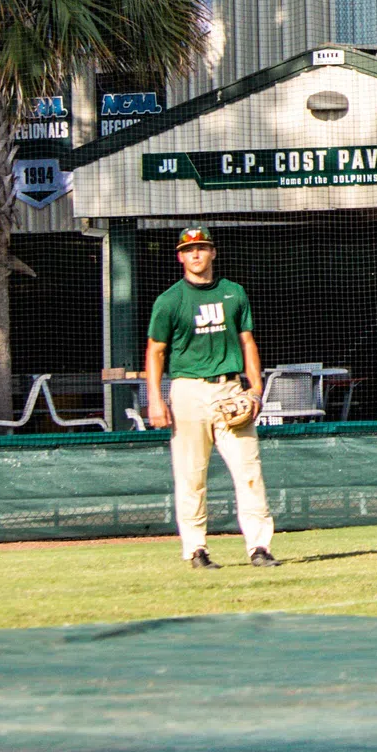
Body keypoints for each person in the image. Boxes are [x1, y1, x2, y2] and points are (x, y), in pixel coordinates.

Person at [145, 225, 278, 569]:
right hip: (188, 390)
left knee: (249, 471)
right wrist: (156, 400)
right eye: (189, 250)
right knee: (191, 475)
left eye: (202, 248)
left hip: (231, 389)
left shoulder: (233, 293)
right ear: (180, 256)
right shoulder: (170, 300)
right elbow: (156, 351)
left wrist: (256, 390)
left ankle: (259, 548)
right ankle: (195, 550)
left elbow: (247, 341)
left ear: (213, 252)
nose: (196, 255)